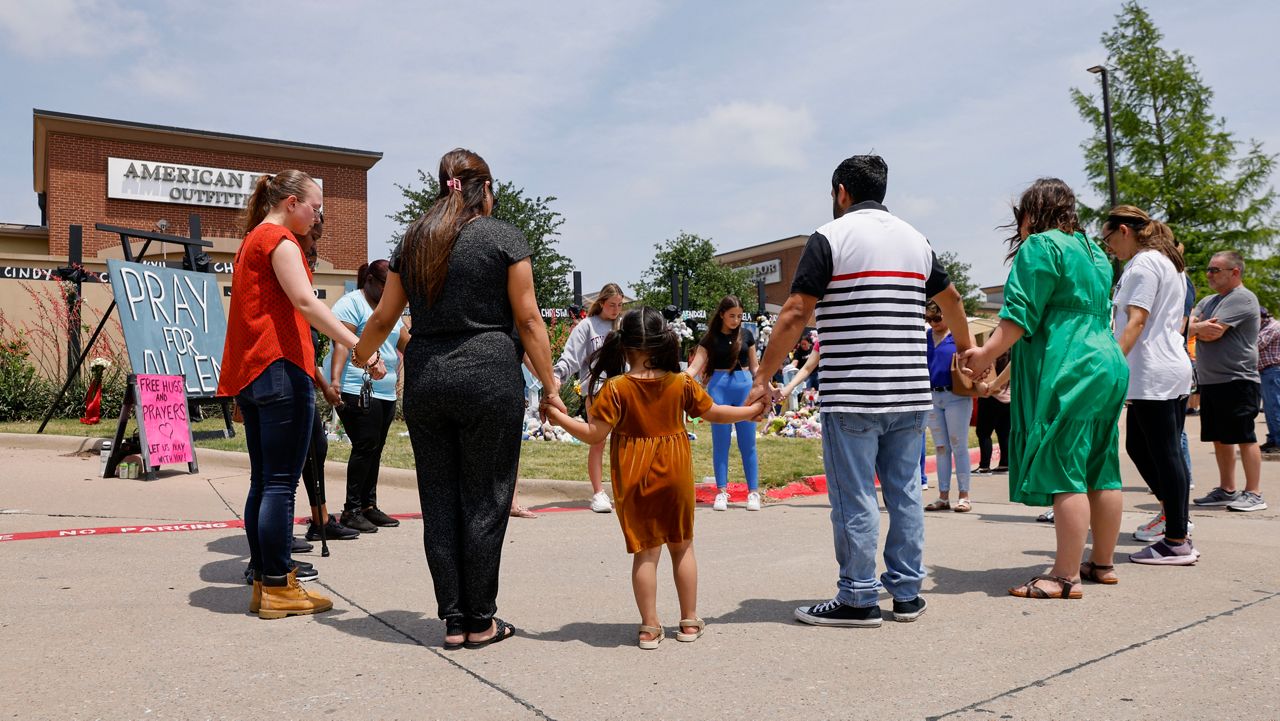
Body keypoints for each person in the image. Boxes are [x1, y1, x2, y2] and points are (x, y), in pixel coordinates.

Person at [352, 148, 563, 650]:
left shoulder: (414, 240)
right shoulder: (503, 237)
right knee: (486, 498)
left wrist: (362, 358)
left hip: (428, 378)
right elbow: (530, 320)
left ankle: (452, 619)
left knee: (440, 500)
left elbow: (383, 319)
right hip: (490, 374)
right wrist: (551, 388)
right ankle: (481, 620)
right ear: (484, 188)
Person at [750, 154, 972, 627]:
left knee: (856, 498)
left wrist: (763, 377)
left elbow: (793, 312)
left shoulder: (830, 237)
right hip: (910, 394)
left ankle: (857, 597)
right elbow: (951, 299)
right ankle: (907, 593)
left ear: (841, 192)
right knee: (906, 493)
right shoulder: (917, 240)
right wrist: (968, 351)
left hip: (853, 393)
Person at [542, 307, 764, 648]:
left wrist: (559, 418)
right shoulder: (681, 383)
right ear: (663, 342)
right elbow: (715, 413)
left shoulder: (615, 389)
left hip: (633, 473)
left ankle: (649, 627)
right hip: (674, 470)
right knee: (682, 546)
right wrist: (750, 411)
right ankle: (689, 622)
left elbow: (592, 434)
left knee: (646, 552)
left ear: (625, 345)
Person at [217, 170, 381, 620]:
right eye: (315, 206)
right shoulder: (280, 241)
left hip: (254, 374)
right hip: (278, 371)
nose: (318, 214)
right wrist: (359, 347)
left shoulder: (253, 239)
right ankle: (278, 585)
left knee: (262, 481)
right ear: (291, 202)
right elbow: (308, 304)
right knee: (278, 485)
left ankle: (265, 582)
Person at [961, 178, 1127, 600]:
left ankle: (1064, 576)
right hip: (1106, 360)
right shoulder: (1096, 253)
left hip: (1069, 364)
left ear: (1030, 214)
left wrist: (983, 356)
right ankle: (1102, 563)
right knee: (1101, 466)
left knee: (1064, 467)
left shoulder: (1041, 246)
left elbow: (1019, 316)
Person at [1101, 206, 1196, 565]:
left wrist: (1111, 363)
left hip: (1153, 369)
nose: (1110, 248)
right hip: (1167, 365)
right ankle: (1174, 518)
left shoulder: (1142, 264)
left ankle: (1177, 539)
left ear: (1123, 230)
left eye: (1109, 239)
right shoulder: (1168, 262)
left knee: (1163, 451)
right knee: (1142, 446)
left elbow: (1136, 321)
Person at [330, 259, 410, 533]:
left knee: (375, 449)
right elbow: (341, 342)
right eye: (386, 287)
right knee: (365, 446)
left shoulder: (390, 311)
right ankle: (351, 510)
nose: (390, 293)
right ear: (370, 282)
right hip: (356, 388)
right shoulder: (351, 303)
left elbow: (406, 342)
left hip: (385, 391)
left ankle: (368, 506)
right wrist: (335, 382)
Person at [1189, 251, 1266, 512]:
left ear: (1235, 272)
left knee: (1244, 436)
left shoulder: (1242, 298)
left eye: (1215, 270)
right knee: (1220, 438)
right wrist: (1196, 326)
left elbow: (1212, 333)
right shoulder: (1210, 300)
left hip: (1237, 378)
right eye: (1209, 269)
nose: (1209, 274)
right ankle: (1227, 489)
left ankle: (1254, 493)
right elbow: (1187, 323)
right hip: (1212, 381)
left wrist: (1194, 328)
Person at [552, 283, 625, 513]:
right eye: (612, 304)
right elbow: (571, 356)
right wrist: (557, 375)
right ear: (601, 303)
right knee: (598, 441)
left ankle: (625, 489)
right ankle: (598, 492)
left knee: (627, 442)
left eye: (620, 305)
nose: (616, 309)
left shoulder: (623, 326)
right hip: (597, 390)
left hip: (625, 390)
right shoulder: (587, 326)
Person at [687, 296, 761, 512]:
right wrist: (679, 379)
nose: (736, 320)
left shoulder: (747, 335)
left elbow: (756, 368)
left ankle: (753, 492)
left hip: (745, 388)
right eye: (731, 316)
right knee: (721, 443)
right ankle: (721, 492)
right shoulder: (709, 338)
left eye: (739, 316)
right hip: (719, 389)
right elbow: (694, 368)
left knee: (748, 443)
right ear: (721, 314)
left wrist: (767, 386)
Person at [922, 301, 976, 513]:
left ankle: (964, 495)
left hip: (956, 395)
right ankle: (943, 496)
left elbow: (975, 357)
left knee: (959, 444)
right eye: (929, 319)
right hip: (932, 396)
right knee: (941, 447)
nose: (933, 323)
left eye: (937, 318)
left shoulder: (959, 335)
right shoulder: (925, 337)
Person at [974, 351, 1011, 474]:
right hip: (1009, 400)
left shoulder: (991, 358)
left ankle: (984, 465)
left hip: (990, 398)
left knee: (983, 433)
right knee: (1004, 433)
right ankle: (1005, 463)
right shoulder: (1012, 359)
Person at [1257, 308, 1279, 454]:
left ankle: (1278, 441)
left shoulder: (1272, 327)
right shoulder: (1266, 326)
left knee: (1275, 408)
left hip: (1273, 371)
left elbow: (1256, 344)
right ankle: (1273, 439)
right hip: (1268, 372)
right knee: (1270, 409)